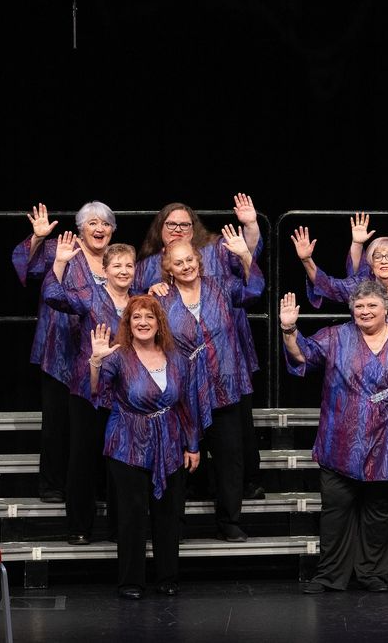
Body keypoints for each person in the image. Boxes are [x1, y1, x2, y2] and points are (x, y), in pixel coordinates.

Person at [280, 284, 388, 594]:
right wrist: (288, 329)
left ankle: (372, 575)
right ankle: (329, 576)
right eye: (360, 306)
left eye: (372, 306)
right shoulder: (336, 337)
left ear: (387, 309)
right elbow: (303, 356)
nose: (365, 311)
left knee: (380, 512)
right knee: (335, 511)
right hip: (341, 439)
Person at [135, 195, 266, 500]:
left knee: (232, 437)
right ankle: (187, 494)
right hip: (179, 375)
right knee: (184, 442)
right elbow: (133, 309)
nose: (178, 228)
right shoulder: (149, 270)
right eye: (171, 224)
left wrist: (250, 229)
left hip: (224, 360)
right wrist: (146, 291)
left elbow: (251, 276)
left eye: (185, 224)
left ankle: (236, 501)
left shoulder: (216, 255)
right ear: (160, 228)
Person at [153, 227, 264, 542]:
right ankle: (174, 523)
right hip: (181, 394)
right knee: (177, 460)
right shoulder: (160, 298)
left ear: (198, 260)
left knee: (230, 457)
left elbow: (254, 290)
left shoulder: (221, 287)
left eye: (190, 259)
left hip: (223, 386)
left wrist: (244, 255)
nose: (186, 266)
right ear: (169, 269)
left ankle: (229, 521)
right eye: (179, 263)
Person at [87, 299, 200, 600]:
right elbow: (97, 394)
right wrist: (96, 362)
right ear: (128, 323)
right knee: (132, 515)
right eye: (136, 317)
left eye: (149, 316)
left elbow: (186, 404)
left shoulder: (177, 359)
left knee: (168, 514)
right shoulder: (118, 357)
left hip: (171, 444)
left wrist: (193, 445)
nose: (143, 322)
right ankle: (131, 581)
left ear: (159, 322)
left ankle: (167, 577)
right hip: (127, 445)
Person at [12, 201, 115, 503]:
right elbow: (27, 268)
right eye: (93, 223)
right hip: (60, 348)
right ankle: (53, 485)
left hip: (100, 354)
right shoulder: (63, 246)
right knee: (58, 421)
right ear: (81, 228)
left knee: (96, 423)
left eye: (106, 224)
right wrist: (38, 239)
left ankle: (94, 486)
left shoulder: (115, 258)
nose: (100, 229)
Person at [41, 232, 131, 546]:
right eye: (117, 265)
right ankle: (79, 526)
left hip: (125, 393)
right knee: (82, 460)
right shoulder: (88, 295)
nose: (123, 271)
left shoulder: (141, 300)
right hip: (87, 389)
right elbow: (53, 296)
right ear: (104, 269)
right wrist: (60, 263)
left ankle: (121, 528)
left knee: (122, 463)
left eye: (129, 266)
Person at [292, 230, 388, 331]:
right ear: (370, 263)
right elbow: (328, 285)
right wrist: (306, 260)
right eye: (377, 256)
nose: (384, 260)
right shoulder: (360, 286)